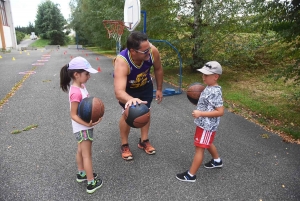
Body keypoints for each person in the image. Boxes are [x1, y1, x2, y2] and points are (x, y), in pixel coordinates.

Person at [113, 31, 164, 160]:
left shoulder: (152, 51)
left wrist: (159, 89)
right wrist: (131, 100)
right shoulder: (122, 61)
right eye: (144, 51)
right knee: (127, 114)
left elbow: (158, 69)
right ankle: (124, 145)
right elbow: (119, 92)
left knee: (146, 111)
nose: (149, 51)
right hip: (128, 91)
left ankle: (144, 141)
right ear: (133, 51)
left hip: (145, 86)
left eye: (149, 48)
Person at [60, 56, 103, 193]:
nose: (89, 76)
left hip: (82, 127)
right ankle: (91, 182)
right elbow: (73, 114)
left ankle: (82, 173)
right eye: (86, 73)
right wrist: (88, 124)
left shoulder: (81, 86)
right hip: (83, 128)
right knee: (87, 155)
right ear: (76, 74)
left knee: (80, 150)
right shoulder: (75, 92)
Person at [176, 61, 224, 182]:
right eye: (203, 74)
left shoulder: (215, 92)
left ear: (216, 76)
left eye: (206, 75)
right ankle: (217, 161)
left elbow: (220, 111)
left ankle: (191, 175)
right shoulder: (209, 88)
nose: (203, 77)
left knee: (199, 148)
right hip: (203, 124)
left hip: (207, 126)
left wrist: (200, 113)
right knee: (207, 143)